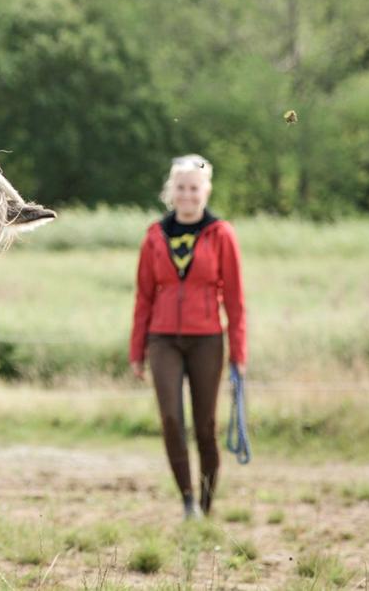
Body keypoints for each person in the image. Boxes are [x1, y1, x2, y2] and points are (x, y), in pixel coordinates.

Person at [130, 154, 246, 519]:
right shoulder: (154, 236)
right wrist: (137, 349)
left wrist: (238, 353)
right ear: (172, 191)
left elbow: (236, 300)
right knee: (170, 420)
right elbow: (144, 296)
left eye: (194, 188)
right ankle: (187, 501)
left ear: (205, 191)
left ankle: (208, 503)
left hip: (208, 339)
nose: (187, 195)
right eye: (181, 188)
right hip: (162, 339)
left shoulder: (222, 234)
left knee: (206, 426)